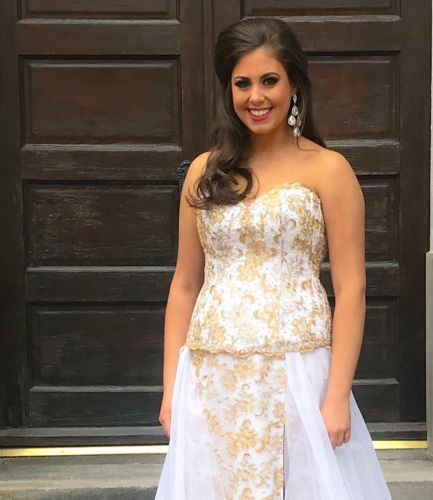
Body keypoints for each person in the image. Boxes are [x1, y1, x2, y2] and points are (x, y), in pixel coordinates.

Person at [154, 16, 392, 500]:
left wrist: (337, 395)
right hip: (212, 370)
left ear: (294, 85)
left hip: (297, 372)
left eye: (269, 81)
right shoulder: (203, 171)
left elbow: (351, 290)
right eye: (242, 83)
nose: (256, 97)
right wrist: (170, 389)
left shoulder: (328, 169)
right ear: (229, 90)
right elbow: (184, 284)